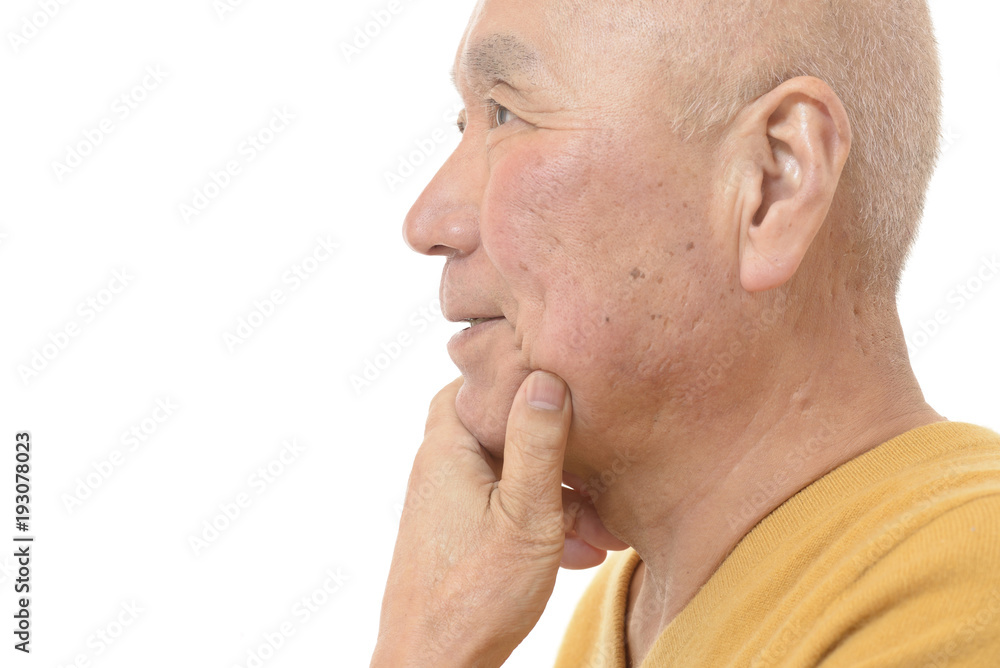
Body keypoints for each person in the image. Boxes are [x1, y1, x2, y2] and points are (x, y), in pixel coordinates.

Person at [372, 0, 1000, 665]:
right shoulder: (617, 616)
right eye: (462, 122)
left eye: (505, 114)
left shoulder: (963, 586)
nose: (427, 224)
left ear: (772, 184)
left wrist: (428, 648)